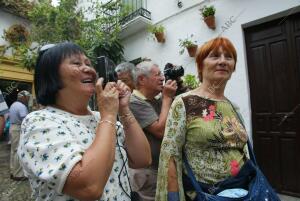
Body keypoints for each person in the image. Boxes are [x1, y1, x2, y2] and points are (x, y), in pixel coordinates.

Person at [17, 42, 151, 201]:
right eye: (76, 63)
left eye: (88, 63)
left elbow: (143, 159)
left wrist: (124, 110)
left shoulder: (100, 118)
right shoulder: (39, 122)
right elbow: (89, 188)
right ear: (52, 75)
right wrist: (108, 116)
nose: (88, 69)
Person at [156, 37, 252, 201]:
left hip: (244, 192)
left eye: (228, 57)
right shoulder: (184, 103)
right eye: (215, 56)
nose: (222, 61)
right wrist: (173, 198)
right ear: (201, 65)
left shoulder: (233, 107)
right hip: (205, 195)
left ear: (233, 66)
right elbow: (170, 157)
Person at [129, 61, 177, 201]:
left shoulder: (153, 100)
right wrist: (167, 97)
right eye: (157, 75)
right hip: (147, 174)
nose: (162, 78)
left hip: (161, 169)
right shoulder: (134, 102)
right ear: (142, 80)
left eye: (162, 74)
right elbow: (161, 131)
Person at [9, 89, 31, 180]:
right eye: (27, 98)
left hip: (12, 127)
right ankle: (18, 175)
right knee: (18, 151)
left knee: (13, 151)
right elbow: (25, 120)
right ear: (23, 97)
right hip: (18, 129)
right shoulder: (22, 106)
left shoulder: (14, 104)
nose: (28, 100)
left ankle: (12, 171)